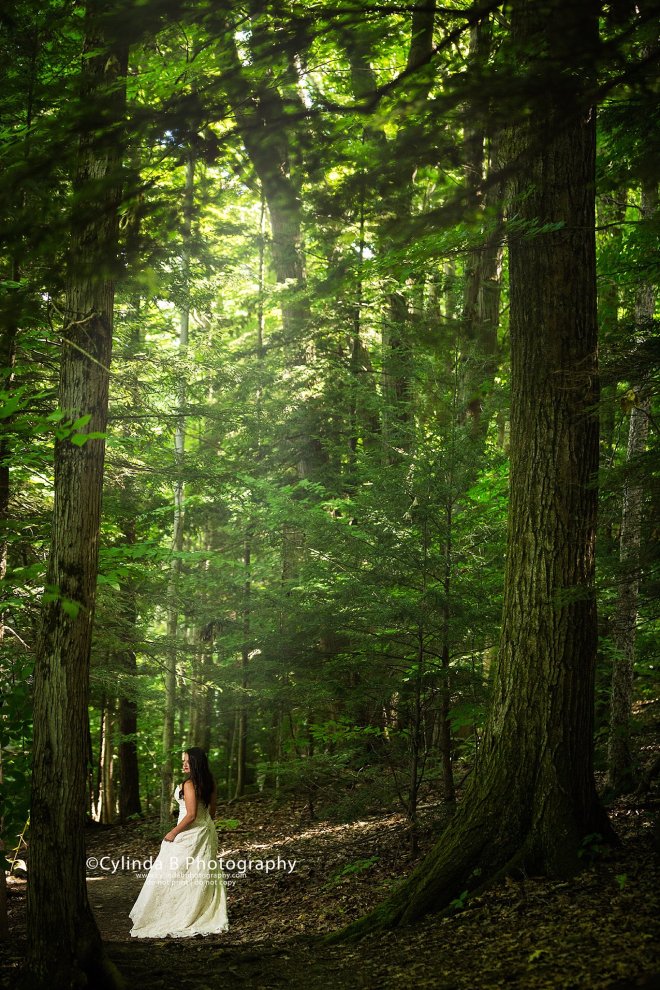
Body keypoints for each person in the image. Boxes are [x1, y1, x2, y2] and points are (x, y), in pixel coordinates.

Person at [129, 748, 229, 938]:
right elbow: (212, 812)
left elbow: (191, 815)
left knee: (175, 872)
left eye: (187, 761)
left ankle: (179, 913)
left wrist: (173, 832)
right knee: (198, 872)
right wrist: (205, 826)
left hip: (189, 832)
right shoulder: (210, 782)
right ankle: (198, 910)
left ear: (196, 763)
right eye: (183, 761)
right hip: (206, 830)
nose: (184, 764)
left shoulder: (189, 784)